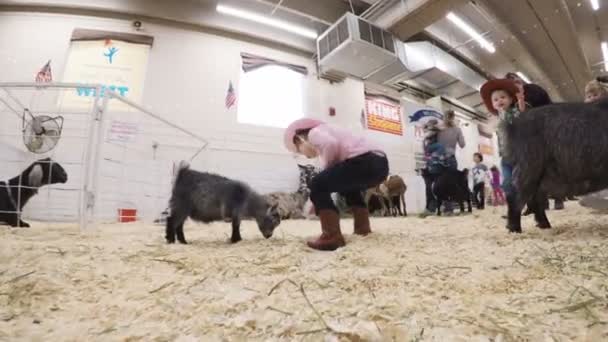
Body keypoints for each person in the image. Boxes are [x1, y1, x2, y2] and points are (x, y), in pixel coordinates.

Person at [284, 118, 389, 251]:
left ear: (299, 139)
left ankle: (331, 236)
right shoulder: (335, 130)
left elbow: (330, 144)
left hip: (364, 161)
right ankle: (363, 229)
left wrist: (321, 186)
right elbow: (337, 161)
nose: (303, 155)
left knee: (317, 183)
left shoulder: (314, 133)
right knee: (349, 188)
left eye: (299, 150)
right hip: (380, 165)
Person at [505, 72, 564, 210]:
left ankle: (558, 198)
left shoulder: (535, 90)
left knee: (552, 165)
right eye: (510, 84)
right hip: (529, 138)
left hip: (545, 131)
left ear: (520, 81)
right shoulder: (511, 99)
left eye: (516, 82)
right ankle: (541, 202)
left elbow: (549, 106)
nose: (515, 85)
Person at [480, 79, 526, 222]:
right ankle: (513, 209)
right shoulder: (497, 117)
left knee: (520, 182)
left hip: (519, 155)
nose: (499, 100)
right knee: (506, 183)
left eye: (503, 97)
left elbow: (522, 111)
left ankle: (524, 205)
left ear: (510, 99)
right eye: (495, 99)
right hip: (505, 156)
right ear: (492, 104)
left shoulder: (514, 112)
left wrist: (521, 100)